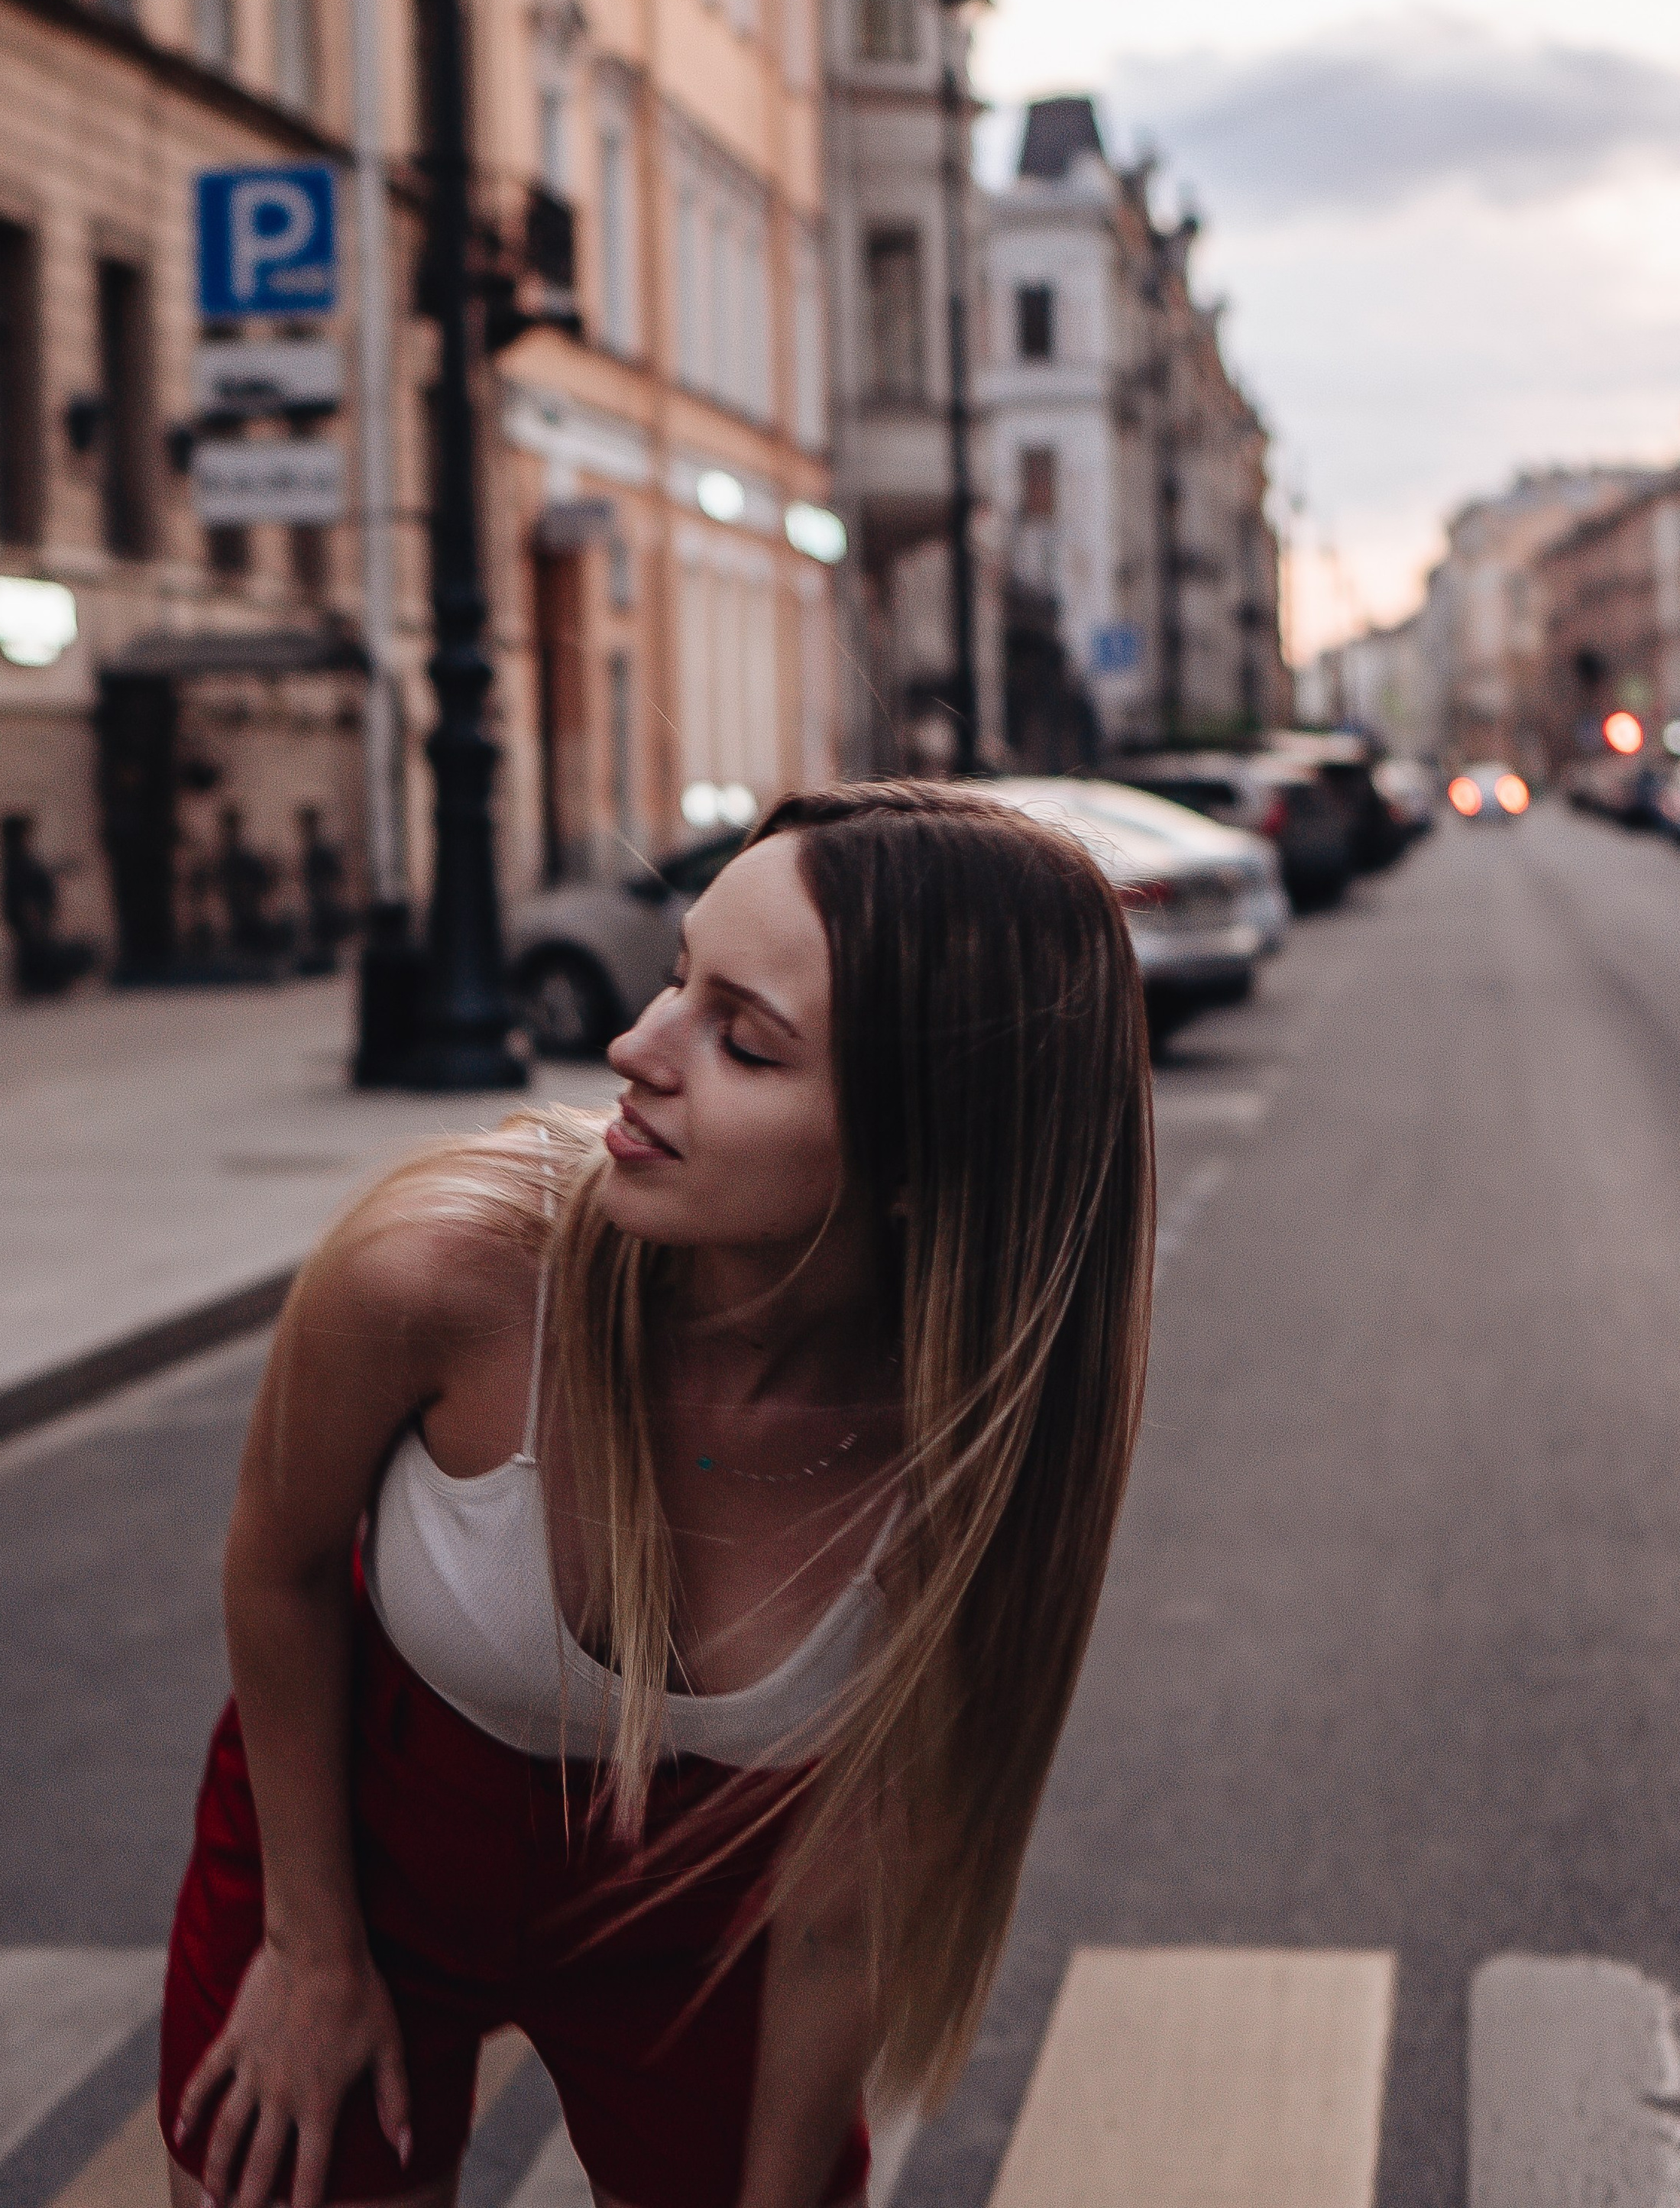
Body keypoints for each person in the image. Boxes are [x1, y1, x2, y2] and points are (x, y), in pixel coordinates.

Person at [160, 778, 1154, 2208]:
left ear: (925, 1166)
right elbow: (281, 1565)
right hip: (351, 1840)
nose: (634, 1046)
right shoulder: (447, 1267)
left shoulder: (983, 1455)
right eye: (680, 979)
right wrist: (309, 1950)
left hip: (704, 1924)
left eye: (742, 1041)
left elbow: (842, 1902)